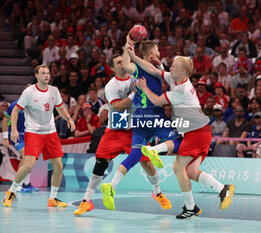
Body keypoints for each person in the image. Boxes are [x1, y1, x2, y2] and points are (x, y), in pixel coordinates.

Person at [128, 48, 234, 219]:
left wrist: (144, 87)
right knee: (191, 172)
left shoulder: (180, 90)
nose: (171, 67)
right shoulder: (175, 79)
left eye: (174, 65)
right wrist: (135, 57)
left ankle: (191, 207)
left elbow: (156, 100)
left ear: (183, 71)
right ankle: (223, 189)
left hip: (196, 132)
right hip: (200, 131)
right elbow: (154, 70)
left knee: (178, 167)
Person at [100, 36, 179, 212]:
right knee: (179, 139)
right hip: (154, 116)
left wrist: (131, 45)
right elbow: (132, 65)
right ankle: (154, 151)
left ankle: (112, 186)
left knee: (134, 155)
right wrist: (130, 42)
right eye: (157, 51)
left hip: (140, 118)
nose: (160, 54)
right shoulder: (140, 68)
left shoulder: (153, 67)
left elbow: (157, 70)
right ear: (152, 53)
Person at [3, 64, 75, 208]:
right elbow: (16, 111)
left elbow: (60, 108)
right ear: (37, 76)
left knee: (58, 166)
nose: (46, 76)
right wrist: (14, 130)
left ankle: (53, 199)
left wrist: (69, 118)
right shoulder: (29, 92)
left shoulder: (54, 91)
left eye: (48, 73)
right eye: (43, 73)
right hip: (33, 133)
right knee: (28, 165)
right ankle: (11, 192)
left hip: (50, 133)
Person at [2, 86, 38, 192]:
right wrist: (5, 138)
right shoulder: (15, 105)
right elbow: (5, 121)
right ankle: (17, 184)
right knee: (26, 155)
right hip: (16, 134)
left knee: (32, 158)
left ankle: (26, 183)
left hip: (30, 134)